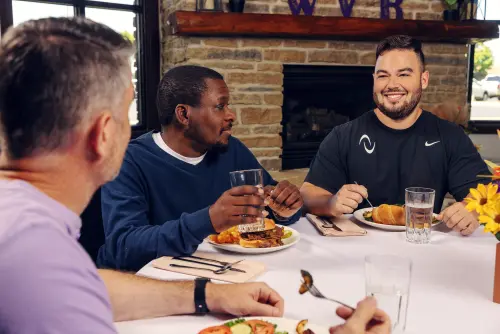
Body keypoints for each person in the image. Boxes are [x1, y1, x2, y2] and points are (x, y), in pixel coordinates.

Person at [0, 17, 285, 334]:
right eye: (126, 112)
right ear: (104, 133)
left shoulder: (24, 226)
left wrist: (208, 294)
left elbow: (92, 284)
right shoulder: (35, 257)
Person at [99, 65, 303, 271]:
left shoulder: (231, 149)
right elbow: (123, 247)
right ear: (184, 115)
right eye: (220, 106)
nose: (231, 115)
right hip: (146, 283)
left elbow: (270, 204)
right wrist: (208, 220)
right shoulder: (128, 161)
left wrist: (285, 209)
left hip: (218, 271)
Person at [301, 35, 490, 236]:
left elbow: (486, 194)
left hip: (423, 245)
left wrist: (471, 210)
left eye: (404, 74)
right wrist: (331, 203)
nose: (392, 84)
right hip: (357, 246)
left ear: (423, 79)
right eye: (383, 75)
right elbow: (308, 193)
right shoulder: (343, 135)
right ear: (374, 80)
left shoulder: (449, 136)